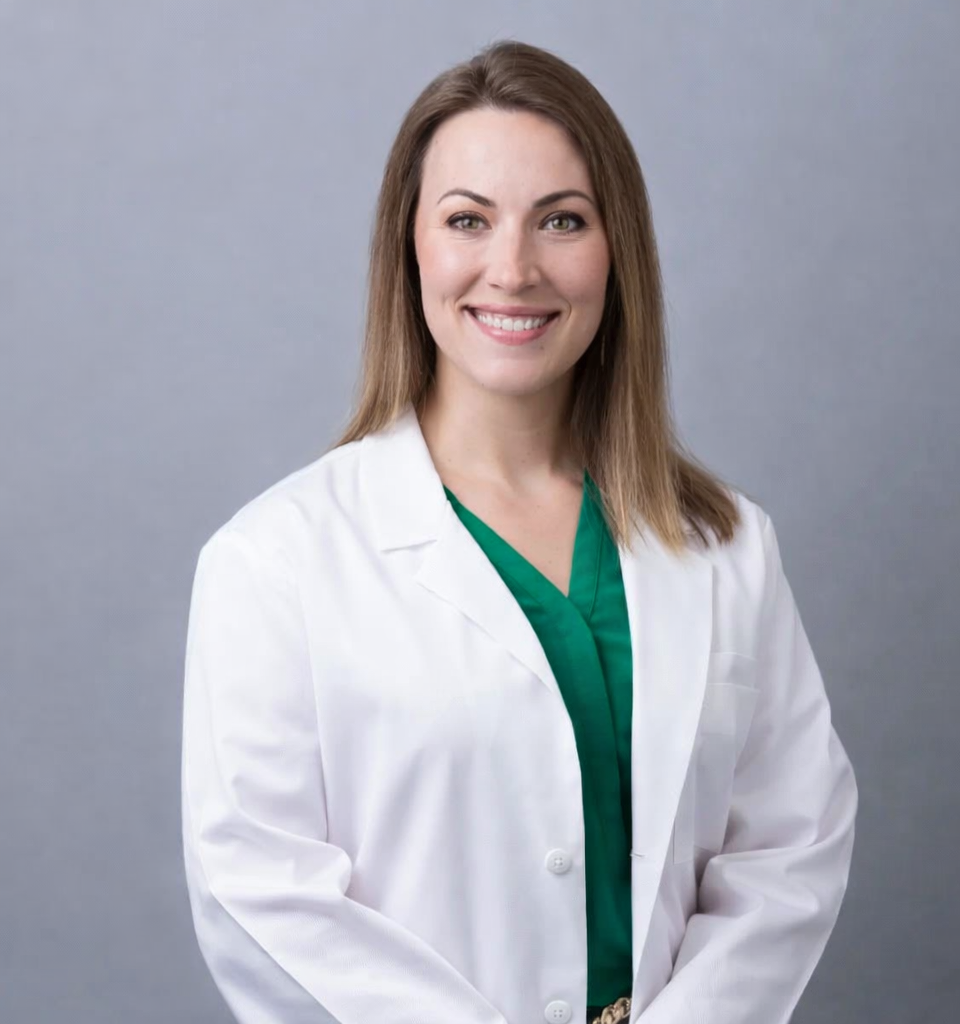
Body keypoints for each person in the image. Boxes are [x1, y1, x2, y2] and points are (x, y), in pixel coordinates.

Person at [181, 38, 858, 1024]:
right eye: (467, 219)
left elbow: (789, 850)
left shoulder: (726, 546)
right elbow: (261, 895)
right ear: (407, 247)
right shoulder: (275, 561)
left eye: (562, 221)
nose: (513, 268)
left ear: (615, 248)